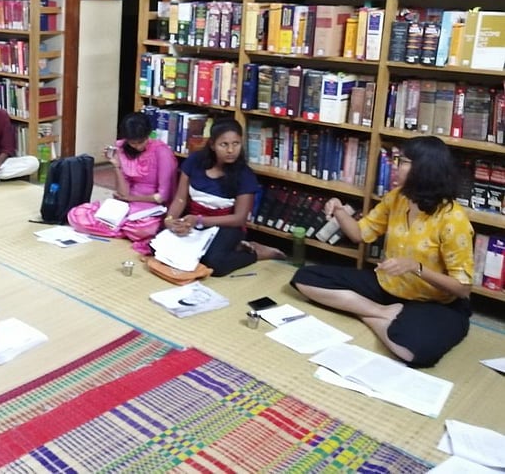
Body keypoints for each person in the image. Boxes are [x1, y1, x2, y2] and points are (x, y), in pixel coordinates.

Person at [291, 136, 474, 367]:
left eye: (403, 161)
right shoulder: (397, 198)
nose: (395, 167)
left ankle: (363, 311)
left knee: (414, 351)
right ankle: (379, 313)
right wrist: (337, 209)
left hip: (435, 301)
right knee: (305, 279)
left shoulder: (452, 218)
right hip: (388, 286)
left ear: (424, 168)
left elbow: (463, 288)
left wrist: (415, 267)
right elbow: (359, 234)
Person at [163, 118, 285, 276]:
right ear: (213, 145)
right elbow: (180, 198)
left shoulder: (244, 175)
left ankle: (255, 252)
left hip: (226, 226)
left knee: (214, 264)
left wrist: (199, 220)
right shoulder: (195, 161)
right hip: (193, 221)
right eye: (224, 145)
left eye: (236, 144)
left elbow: (239, 218)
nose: (230, 150)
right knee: (158, 248)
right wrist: (170, 220)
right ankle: (233, 247)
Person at [67, 112, 177, 252]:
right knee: (76, 214)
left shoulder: (161, 152)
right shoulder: (121, 147)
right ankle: (121, 228)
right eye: (133, 143)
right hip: (126, 205)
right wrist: (116, 165)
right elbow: (122, 192)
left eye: (141, 142)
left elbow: (163, 196)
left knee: (144, 228)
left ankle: (118, 227)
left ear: (149, 134)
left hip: (150, 207)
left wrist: (131, 198)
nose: (137, 147)